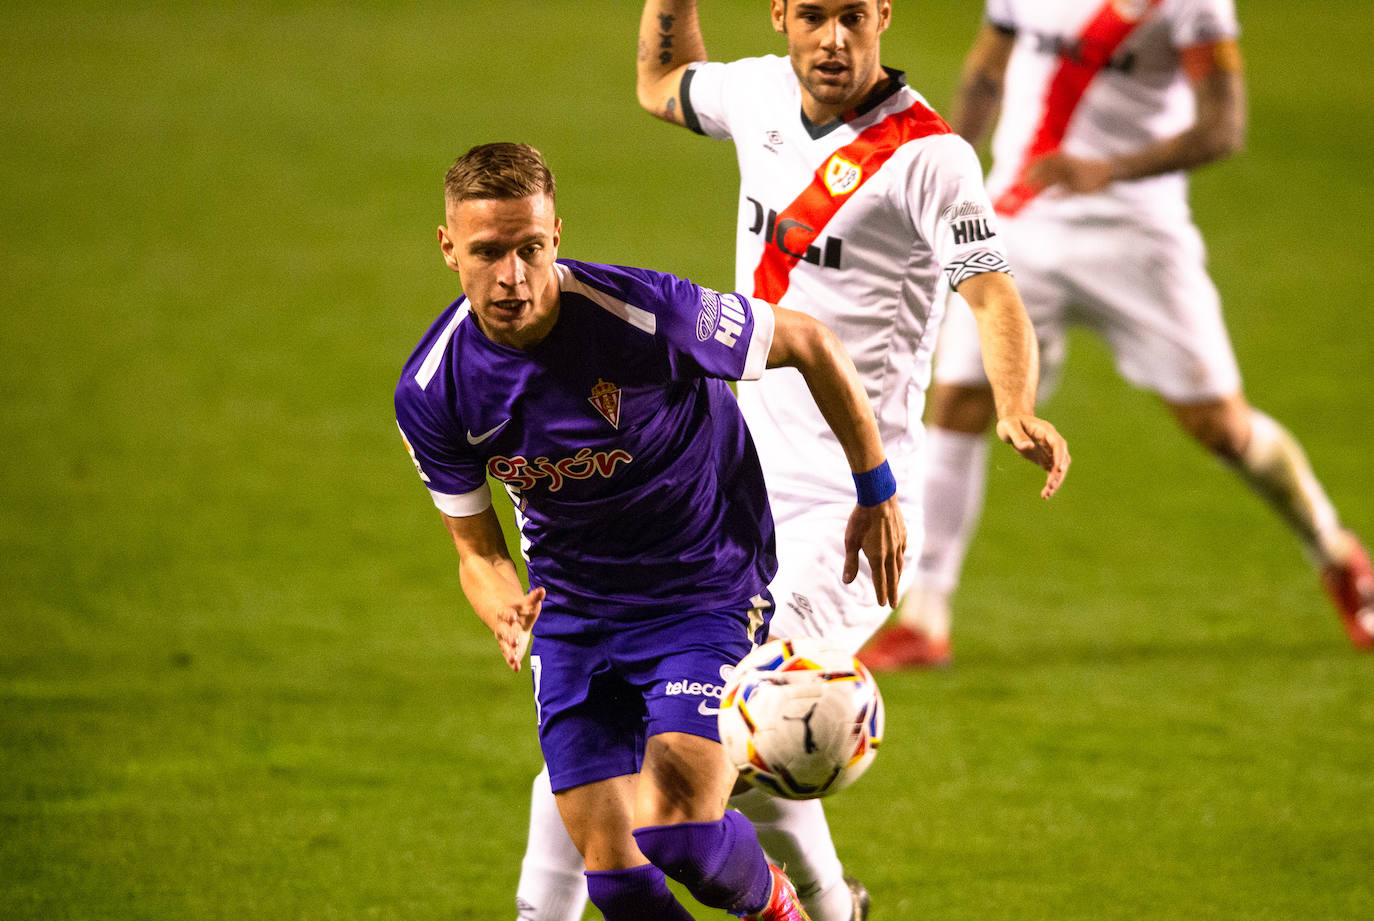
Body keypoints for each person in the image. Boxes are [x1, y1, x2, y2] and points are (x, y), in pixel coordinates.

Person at [511, 3, 1073, 921]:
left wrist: (1013, 403)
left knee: (694, 743)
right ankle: (827, 904)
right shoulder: (759, 92)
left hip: (850, 516)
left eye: (854, 14)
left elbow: (994, 296)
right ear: (780, 15)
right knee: (647, 744)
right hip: (720, 497)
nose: (835, 38)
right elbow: (660, 83)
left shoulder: (930, 157)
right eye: (813, 14)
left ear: (883, 14)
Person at [396, 141, 909, 921]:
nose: (512, 277)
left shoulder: (644, 313)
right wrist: (503, 606)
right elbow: (478, 549)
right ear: (447, 249)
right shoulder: (434, 390)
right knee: (620, 884)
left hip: (702, 589)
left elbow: (810, 341)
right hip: (573, 614)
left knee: (679, 835)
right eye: (488, 252)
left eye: (529, 249)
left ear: (556, 236)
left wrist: (875, 489)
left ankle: (789, 912)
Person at [860, 0, 1374, 670]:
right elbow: (987, 68)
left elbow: (1224, 127)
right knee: (958, 400)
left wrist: (1109, 170)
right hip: (1018, 221)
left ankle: (1336, 553)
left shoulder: (1191, 5)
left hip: (1137, 234)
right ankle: (926, 615)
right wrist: (943, 182)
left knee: (1221, 426)